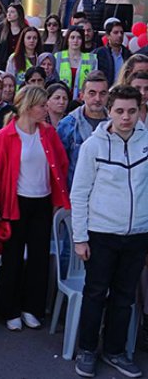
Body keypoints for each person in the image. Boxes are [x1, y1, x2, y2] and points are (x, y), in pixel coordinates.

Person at [71, 86, 148, 379]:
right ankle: (87, 349)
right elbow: (79, 194)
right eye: (119, 111)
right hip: (101, 233)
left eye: (131, 111)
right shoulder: (94, 146)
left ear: (140, 111)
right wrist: (80, 238)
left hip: (138, 234)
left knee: (124, 297)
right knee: (95, 294)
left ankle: (115, 351)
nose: (125, 117)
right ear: (109, 111)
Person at [0, 85, 70, 332]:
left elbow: (61, 163)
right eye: (42, 105)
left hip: (43, 202)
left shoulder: (48, 133)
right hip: (15, 203)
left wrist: (59, 198)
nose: (46, 110)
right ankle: (10, 309)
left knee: (38, 258)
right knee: (13, 257)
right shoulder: (5, 136)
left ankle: (32, 308)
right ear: (28, 107)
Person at [56, 71, 109, 188]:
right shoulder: (67, 125)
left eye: (102, 93)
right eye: (92, 93)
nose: (97, 98)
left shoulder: (115, 125)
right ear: (82, 95)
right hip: (75, 195)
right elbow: (58, 166)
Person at [55, 25, 97, 100]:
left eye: (79, 38)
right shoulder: (58, 57)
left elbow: (94, 82)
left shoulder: (92, 59)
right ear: (67, 39)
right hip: (61, 100)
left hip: (82, 100)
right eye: (72, 37)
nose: (75, 40)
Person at [94, 19, 131, 86]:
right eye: (116, 32)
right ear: (108, 35)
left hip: (123, 91)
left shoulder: (128, 54)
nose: (120, 35)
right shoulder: (99, 54)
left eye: (122, 33)